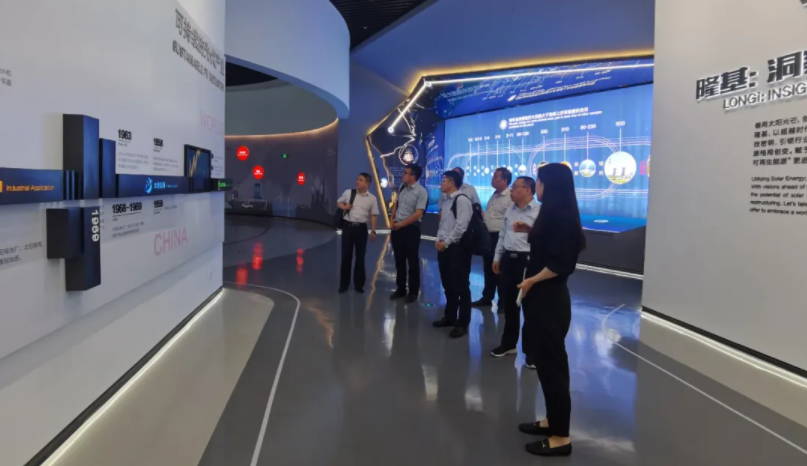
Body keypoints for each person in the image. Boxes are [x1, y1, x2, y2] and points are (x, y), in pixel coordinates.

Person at [516, 163, 585, 457]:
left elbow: (561, 263)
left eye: (539, 181)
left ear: (549, 185)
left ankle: (561, 437)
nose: (537, 186)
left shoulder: (562, 216)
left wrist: (531, 280)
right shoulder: (552, 213)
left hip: (549, 302)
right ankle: (551, 421)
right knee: (544, 365)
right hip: (539, 299)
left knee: (554, 368)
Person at [489, 176, 539, 366]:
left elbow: (543, 239)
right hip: (508, 259)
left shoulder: (539, 212)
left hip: (528, 261)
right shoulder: (510, 209)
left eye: (516, 187)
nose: (512, 190)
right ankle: (508, 344)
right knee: (510, 305)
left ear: (527, 190)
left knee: (529, 307)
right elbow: (502, 235)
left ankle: (531, 352)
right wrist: (497, 257)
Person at [432, 170, 473, 339]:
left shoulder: (462, 200)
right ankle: (450, 316)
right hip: (444, 247)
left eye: (444, 180)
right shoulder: (447, 201)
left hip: (458, 249)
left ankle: (462, 323)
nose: (441, 183)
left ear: (452, 182)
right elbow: (443, 224)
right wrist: (438, 240)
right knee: (448, 284)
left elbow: (461, 226)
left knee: (461, 286)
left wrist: (446, 242)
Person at [473, 167, 513, 307]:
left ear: (504, 180)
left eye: (495, 177)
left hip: (500, 237)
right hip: (488, 237)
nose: (492, 179)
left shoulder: (510, 197)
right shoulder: (494, 195)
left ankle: (503, 301)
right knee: (488, 267)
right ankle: (487, 297)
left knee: (500, 269)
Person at [390, 164, 428, 303]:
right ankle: (401, 288)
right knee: (399, 260)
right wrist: (392, 219)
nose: (402, 175)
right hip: (397, 229)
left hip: (411, 230)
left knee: (412, 261)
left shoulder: (421, 192)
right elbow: (396, 204)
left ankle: (413, 292)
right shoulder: (402, 187)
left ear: (413, 176)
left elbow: (418, 214)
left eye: (405, 173)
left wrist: (401, 224)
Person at [336, 173, 379, 293]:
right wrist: (344, 207)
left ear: (367, 183)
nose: (357, 181)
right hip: (348, 227)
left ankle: (359, 284)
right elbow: (339, 202)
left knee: (360, 257)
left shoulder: (372, 198)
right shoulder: (349, 192)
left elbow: (373, 215)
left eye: (360, 180)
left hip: (361, 229)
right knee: (346, 256)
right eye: (357, 179)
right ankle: (344, 284)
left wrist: (373, 231)